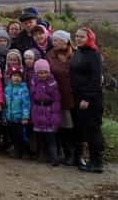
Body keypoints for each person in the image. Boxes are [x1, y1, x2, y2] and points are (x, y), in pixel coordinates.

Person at [70, 27, 104, 173]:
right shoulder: (78, 52)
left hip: (91, 99)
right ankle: (87, 159)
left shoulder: (94, 55)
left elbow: (95, 78)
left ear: (89, 38)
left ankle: (97, 162)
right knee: (84, 129)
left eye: (82, 37)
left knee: (93, 130)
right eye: (76, 36)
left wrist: (87, 98)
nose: (78, 39)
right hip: (78, 97)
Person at [47, 30, 78, 165]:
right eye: (53, 40)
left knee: (70, 126)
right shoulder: (50, 55)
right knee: (58, 125)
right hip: (55, 95)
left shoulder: (76, 55)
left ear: (65, 41)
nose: (53, 43)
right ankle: (60, 153)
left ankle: (72, 153)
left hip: (72, 95)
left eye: (56, 40)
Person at [31, 59, 62, 166]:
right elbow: (32, 97)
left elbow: (56, 101)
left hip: (49, 111)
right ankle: (41, 154)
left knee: (51, 138)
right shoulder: (34, 82)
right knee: (39, 136)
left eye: (45, 72)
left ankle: (54, 156)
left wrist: (55, 116)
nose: (43, 75)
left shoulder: (52, 84)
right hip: (38, 110)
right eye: (40, 73)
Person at [3, 68, 31, 158]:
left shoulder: (24, 89)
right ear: (11, 77)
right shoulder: (7, 89)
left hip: (19, 117)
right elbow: (5, 105)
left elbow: (26, 104)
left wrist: (25, 117)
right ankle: (16, 149)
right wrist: (4, 116)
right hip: (10, 117)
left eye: (19, 76)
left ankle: (21, 151)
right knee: (12, 135)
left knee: (21, 135)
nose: (16, 78)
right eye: (14, 76)